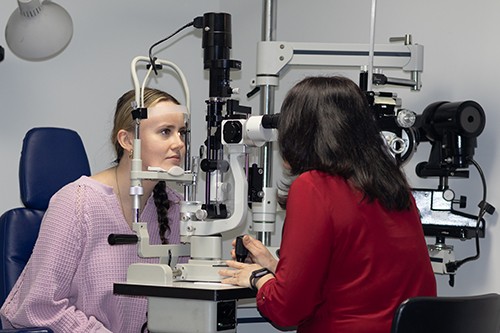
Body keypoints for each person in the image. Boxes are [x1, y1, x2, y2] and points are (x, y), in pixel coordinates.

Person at [219, 76, 437, 333]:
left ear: (299, 132)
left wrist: (257, 278)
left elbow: (287, 311)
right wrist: (274, 266)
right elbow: (354, 282)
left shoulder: (313, 187)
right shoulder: (393, 185)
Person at [0, 88, 187, 332]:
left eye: (182, 132)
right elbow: (39, 306)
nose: (179, 143)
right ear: (127, 140)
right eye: (165, 132)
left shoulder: (176, 208)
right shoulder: (77, 203)